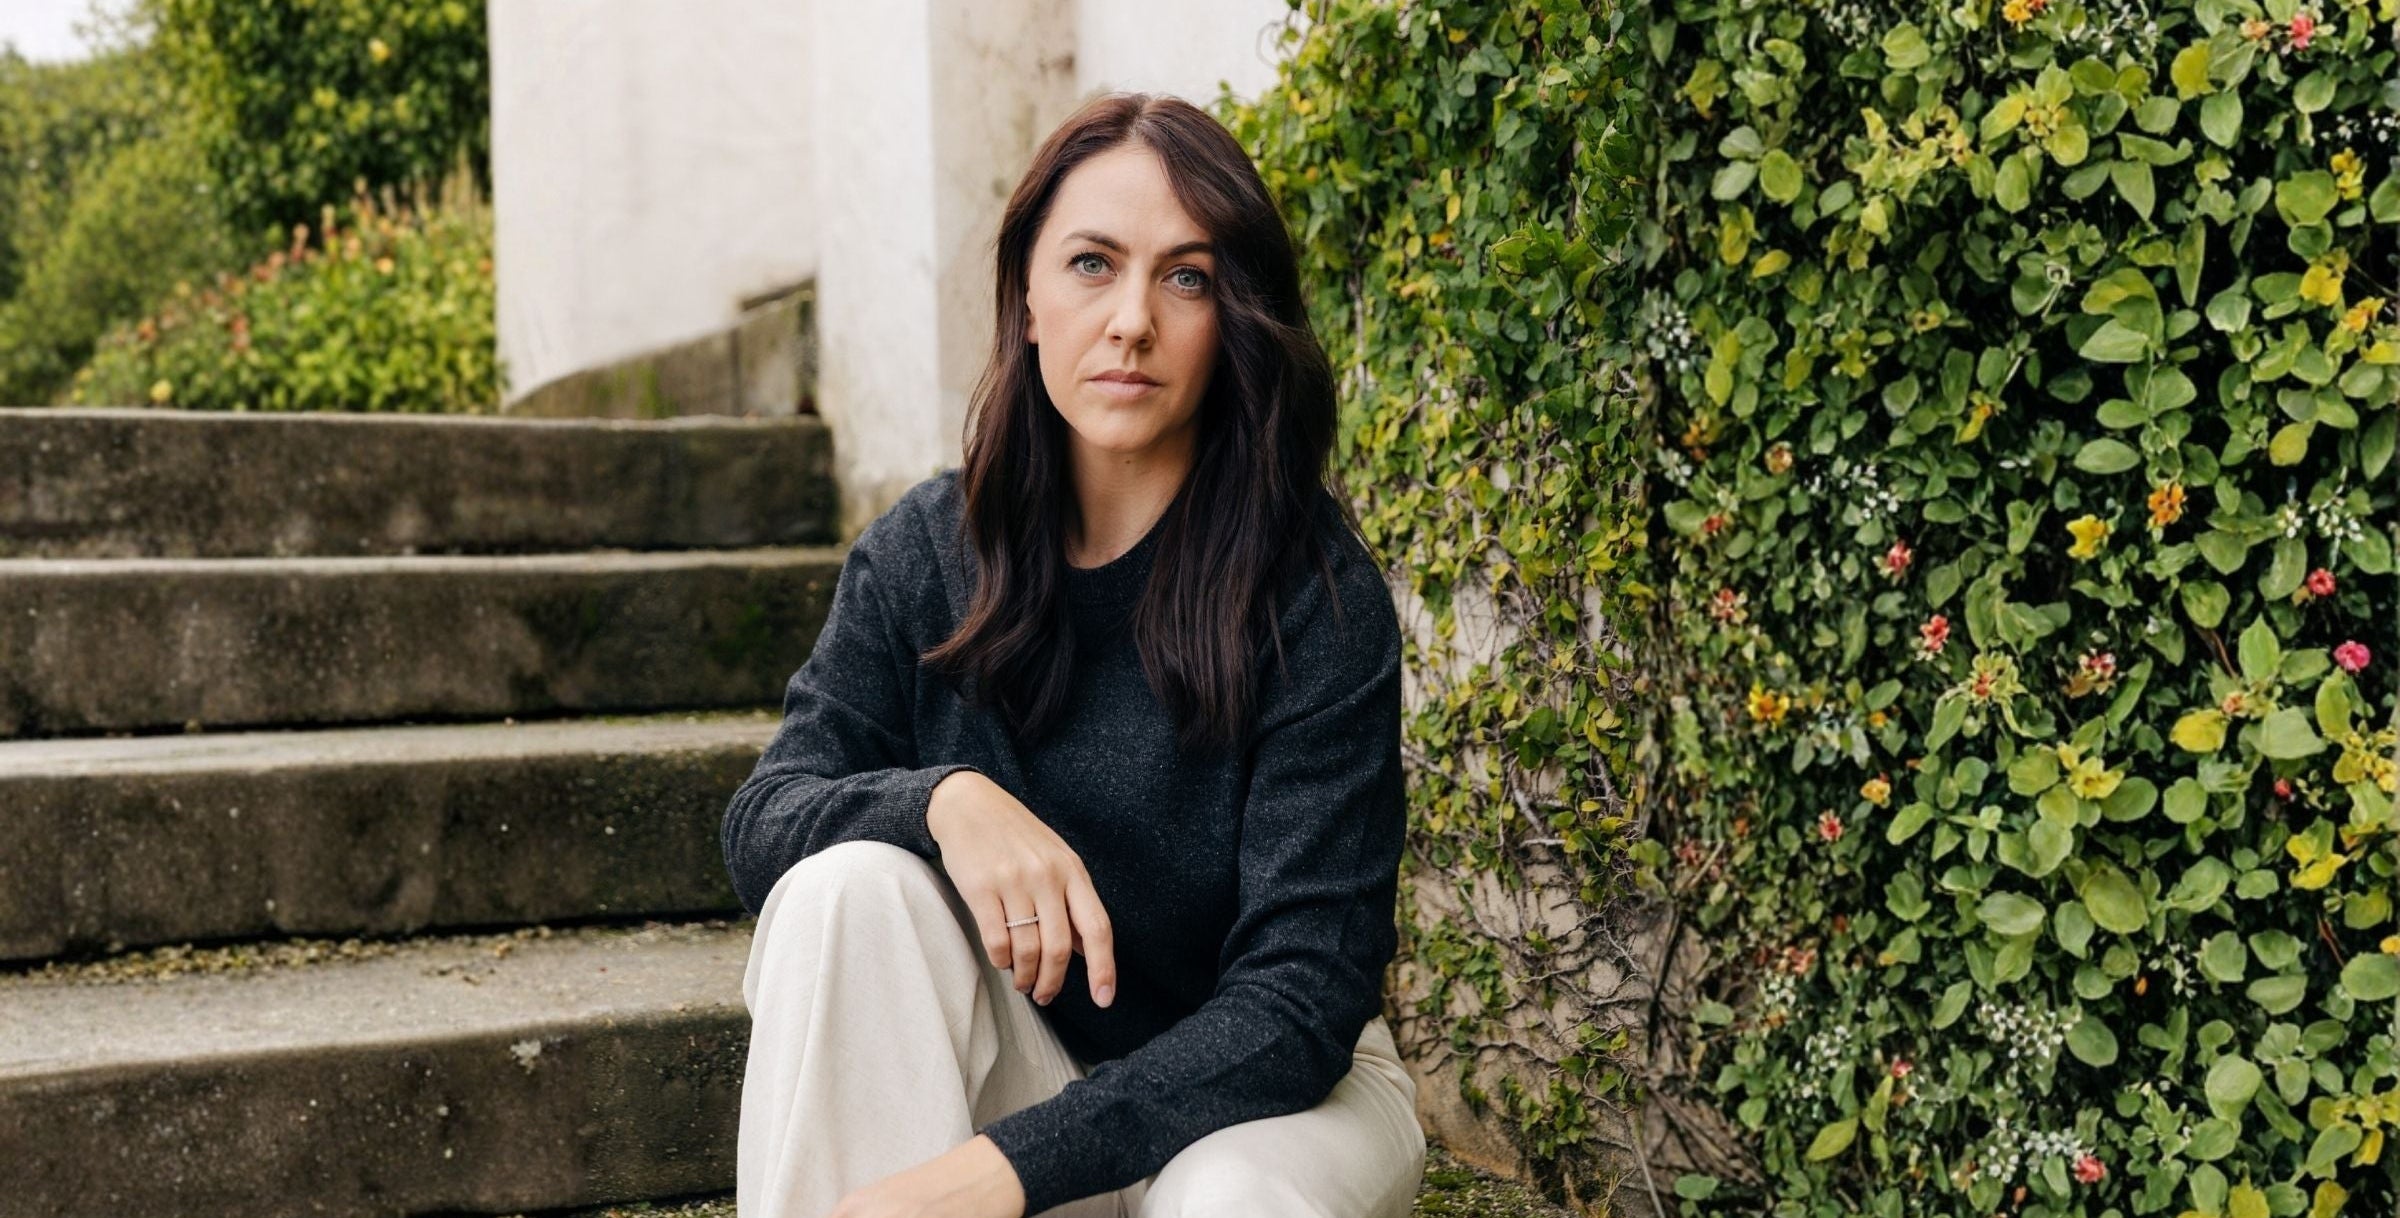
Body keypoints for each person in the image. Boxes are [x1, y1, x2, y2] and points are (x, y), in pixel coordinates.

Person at [720, 91, 1425, 1218]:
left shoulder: (1315, 597)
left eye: (1186, 277)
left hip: (1271, 1104)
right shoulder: (925, 556)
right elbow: (764, 826)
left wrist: (993, 1173)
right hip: (1027, 1072)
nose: (1133, 319)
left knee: (1230, 1201)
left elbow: (1298, 1003)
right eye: (1093, 264)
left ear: (1233, 317)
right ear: (1030, 299)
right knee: (845, 889)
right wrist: (945, 803)